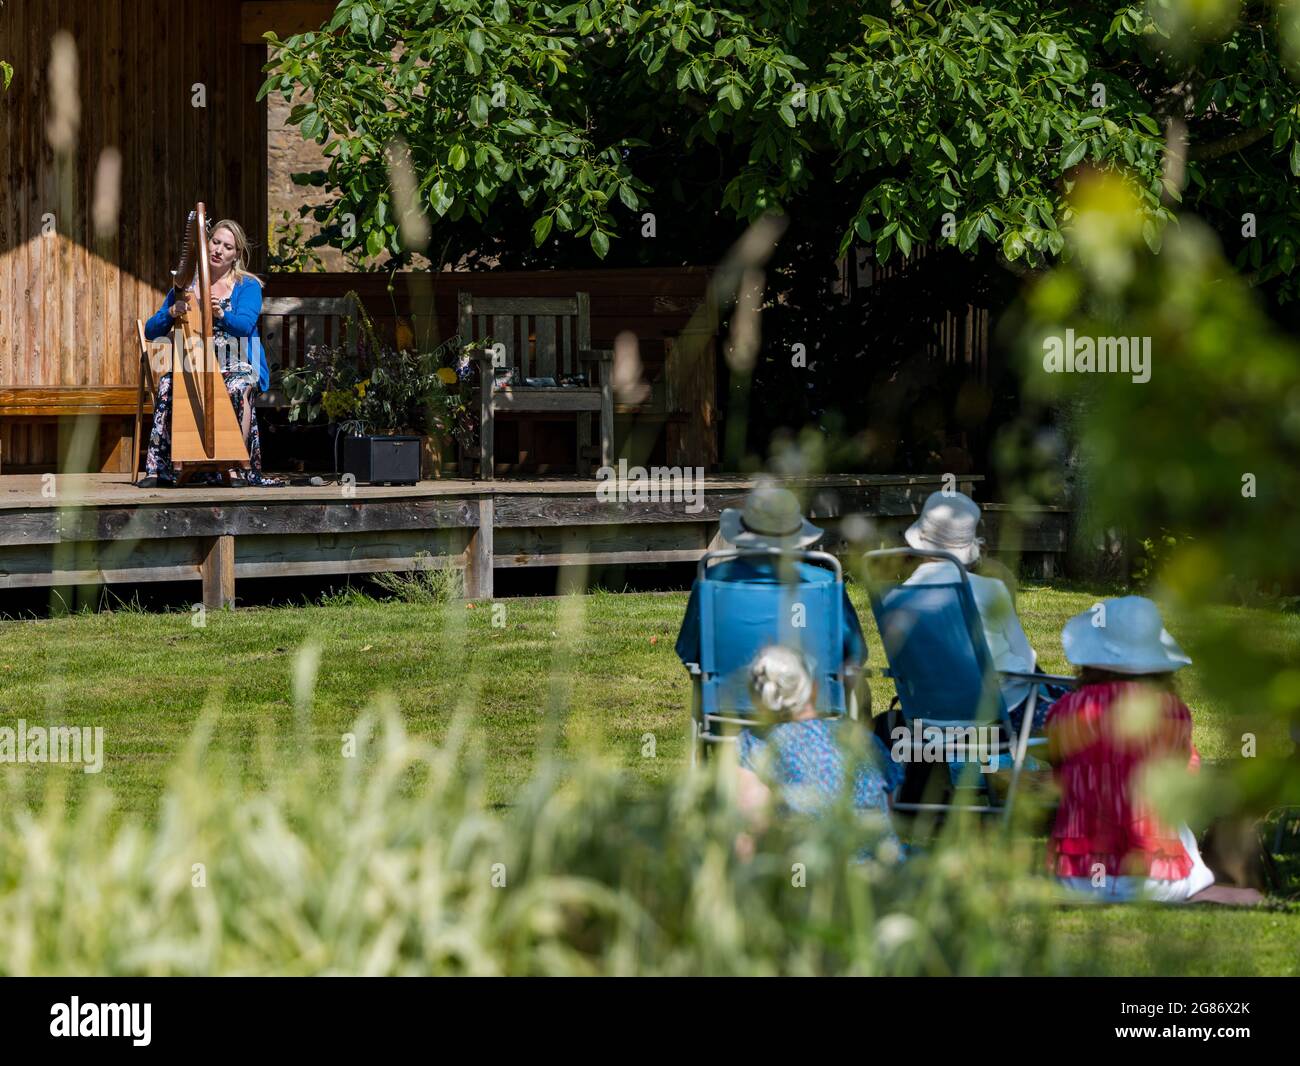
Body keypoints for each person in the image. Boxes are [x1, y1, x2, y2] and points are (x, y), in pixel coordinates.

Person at [1046, 596, 1262, 904]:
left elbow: (1059, 771)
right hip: (1156, 876)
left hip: (1076, 878)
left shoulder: (1064, 711)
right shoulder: (1172, 713)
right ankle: (1212, 890)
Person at [675, 482, 868, 699]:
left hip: (729, 715)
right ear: (796, 534)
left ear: (744, 530)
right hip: (814, 715)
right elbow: (855, 653)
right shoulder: (825, 582)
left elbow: (689, 652)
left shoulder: (712, 580)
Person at [140, 218, 277, 486]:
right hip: (196, 363)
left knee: (238, 386)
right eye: (215, 242)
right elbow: (150, 330)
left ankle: (235, 466)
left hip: (238, 360)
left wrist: (221, 314)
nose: (219, 250)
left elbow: (245, 325)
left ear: (236, 254)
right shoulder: (185, 286)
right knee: (168, 384)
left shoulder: (247, 286)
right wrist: (171, 312)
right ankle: (159, 470)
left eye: (227, 247)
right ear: (205, 244)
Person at [735, 645, 903, 861]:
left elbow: (748, 835)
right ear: (813, 688)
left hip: (807, 883)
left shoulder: (753, 748)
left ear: (757, 696)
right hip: (880, 878)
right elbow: (886, 815)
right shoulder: (861, 739)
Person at [901, 490, 1051, 731]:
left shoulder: (899, 597)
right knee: (1079, 721)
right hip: (1002, 712)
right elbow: (1025, 657)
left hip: (932, 717)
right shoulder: (990, 589)